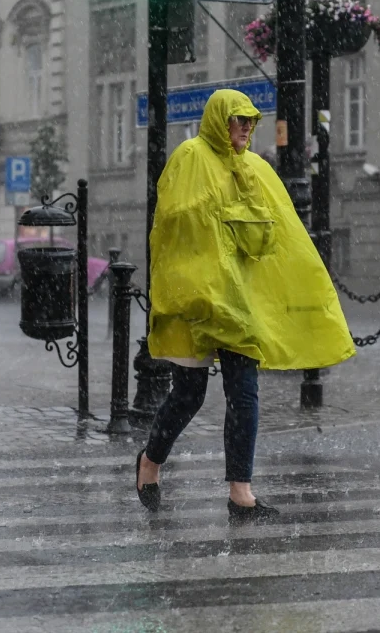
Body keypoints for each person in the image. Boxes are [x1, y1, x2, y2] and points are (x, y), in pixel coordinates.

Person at [135, 89, 356, 523]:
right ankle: (150, 462)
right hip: (200, 300)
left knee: (244, 391)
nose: (246, 129)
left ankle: (240, 492)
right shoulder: (190, 156)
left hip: (240, 302)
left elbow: (279, 233)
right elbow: (176, 225)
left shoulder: (256, 167)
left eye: (251, 122)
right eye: (239, 120)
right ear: (220, 119)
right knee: (188, 394)